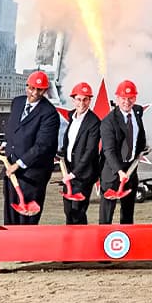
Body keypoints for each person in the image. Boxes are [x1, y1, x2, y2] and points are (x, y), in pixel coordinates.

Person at [1, 71, 59, 225]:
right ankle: (11, 247)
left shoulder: (50, 113)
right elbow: (13, 128)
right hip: (11, 170)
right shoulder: (17, 102)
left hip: (33, 174)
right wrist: (5, 145)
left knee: (26, 220)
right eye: (31, 88)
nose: (34, 92)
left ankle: (25, 248)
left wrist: (18, 164)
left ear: (45, 90)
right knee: (10, 215)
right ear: (26, 85)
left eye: (39, 89)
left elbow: (43, 146)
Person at [99, 80, 147, 225]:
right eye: (123, 98)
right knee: (106, 216)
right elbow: (108, 150)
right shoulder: (109, 122)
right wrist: (119, 171)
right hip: (112, 172)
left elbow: (138, 135)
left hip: (131, 170)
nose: (127, 101)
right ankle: (103, 242)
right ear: (117, 98)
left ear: (135, 98)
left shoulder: (137, 112)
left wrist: (141, 149)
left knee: (128, 213)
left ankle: (126, 242)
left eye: (130, 98)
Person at [60, 82, 102, 224]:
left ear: (90, 100)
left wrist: (75, 173)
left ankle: (82, 242)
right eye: (79, 99)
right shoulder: (72, 117)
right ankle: (70, 241)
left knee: (78, 211)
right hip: (69, 170)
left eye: (86, 99)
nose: (82, 103)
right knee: (68, 211)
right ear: (73, 100)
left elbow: (90, 151)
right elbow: (70, 143)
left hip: (83, 173)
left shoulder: (94, 122)